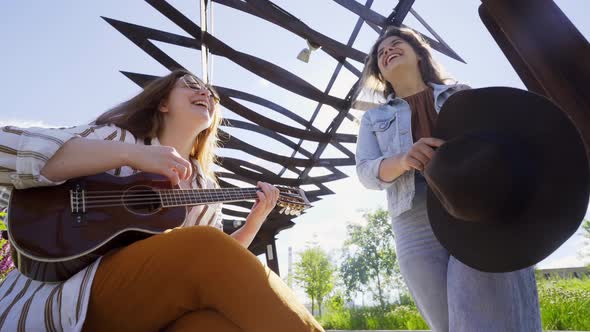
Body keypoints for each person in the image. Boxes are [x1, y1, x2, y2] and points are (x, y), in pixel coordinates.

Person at [0, 69, 324, 332]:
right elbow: (10, 151)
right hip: (68, 297)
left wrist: (257, 218)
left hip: (154, 310)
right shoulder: (118, 138)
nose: (206, 94)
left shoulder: (204, 186)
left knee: (219, 325)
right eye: (192, 85)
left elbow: (223, 269)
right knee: (203, 245)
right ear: (163, 103)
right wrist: (136, 154)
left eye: (212, 95)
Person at [355, 27, 542, 331]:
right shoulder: (373, 119)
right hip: (413, 220)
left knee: (487, 315)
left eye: (396, 43)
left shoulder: (461, 94)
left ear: (419, 53)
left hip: (474, 208)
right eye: (380, 53)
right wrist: (403, 160)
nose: (387, 50)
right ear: (381, 73)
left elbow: (499, 144)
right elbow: (366, 172)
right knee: (445, 324)